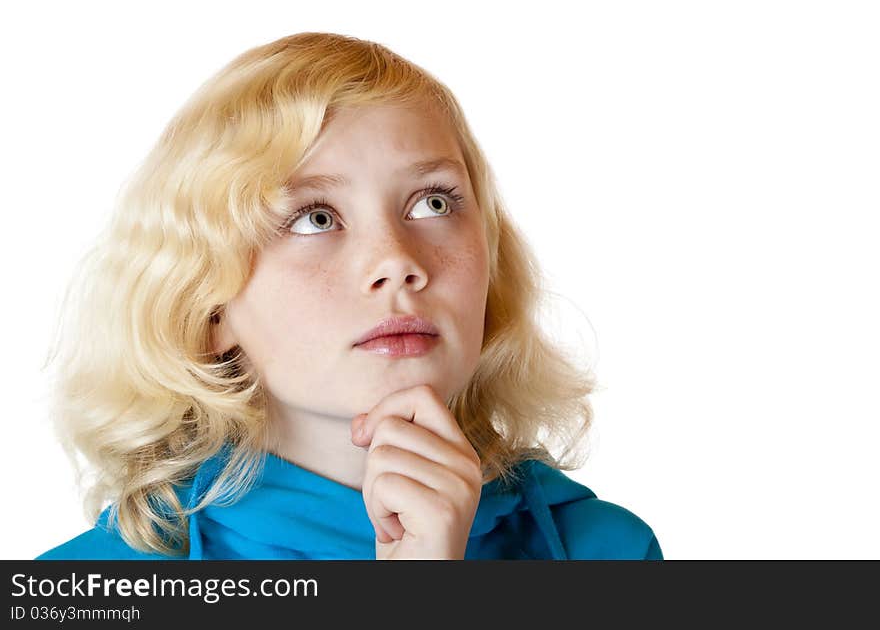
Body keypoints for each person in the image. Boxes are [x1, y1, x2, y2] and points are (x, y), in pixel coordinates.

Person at [36, 32, 662, 560]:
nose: (397, 262)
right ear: (208, 307)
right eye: (314, 217)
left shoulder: (606, 551)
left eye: (433, 202)